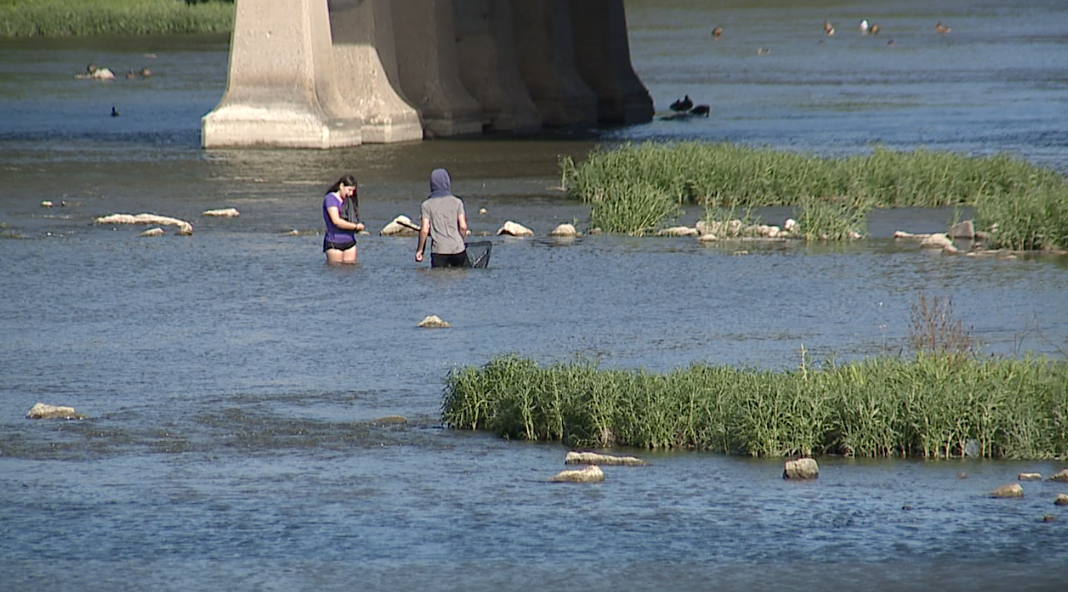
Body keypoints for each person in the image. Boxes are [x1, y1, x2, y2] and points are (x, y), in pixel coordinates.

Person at [415, 168, 468, 268]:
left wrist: (420, 250)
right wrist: (461, 241)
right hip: (458, 250)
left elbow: (425, 230)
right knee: (459, 276)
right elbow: (463, 227)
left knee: (439, 276)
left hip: (439, 251)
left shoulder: (426, 205)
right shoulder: (457, 202)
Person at [322, 174, 364, 264]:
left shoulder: (349, 200)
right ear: (341, 186)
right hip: (334, 242)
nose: (351, 193)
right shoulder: (331, 198)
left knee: (351, 269)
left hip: (350, 242)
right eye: (349, 190)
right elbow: (336, 221)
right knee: (336, 269)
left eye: (353, 191)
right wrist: (356, 227)